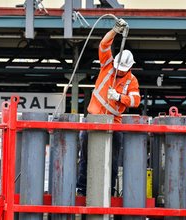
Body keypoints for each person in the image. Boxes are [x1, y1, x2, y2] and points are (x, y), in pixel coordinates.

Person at [77, 18, 141, 196]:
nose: (119, 71)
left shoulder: (131, 80)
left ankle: (110, 190)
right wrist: (115, 31)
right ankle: (82, 189)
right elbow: (104, 45)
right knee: (85, 157)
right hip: (93, 118)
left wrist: (120, 97)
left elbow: (136, 101)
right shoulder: (107, 66)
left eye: (122, 69)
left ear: (129, 68)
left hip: (115, 122)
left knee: (112, 161)